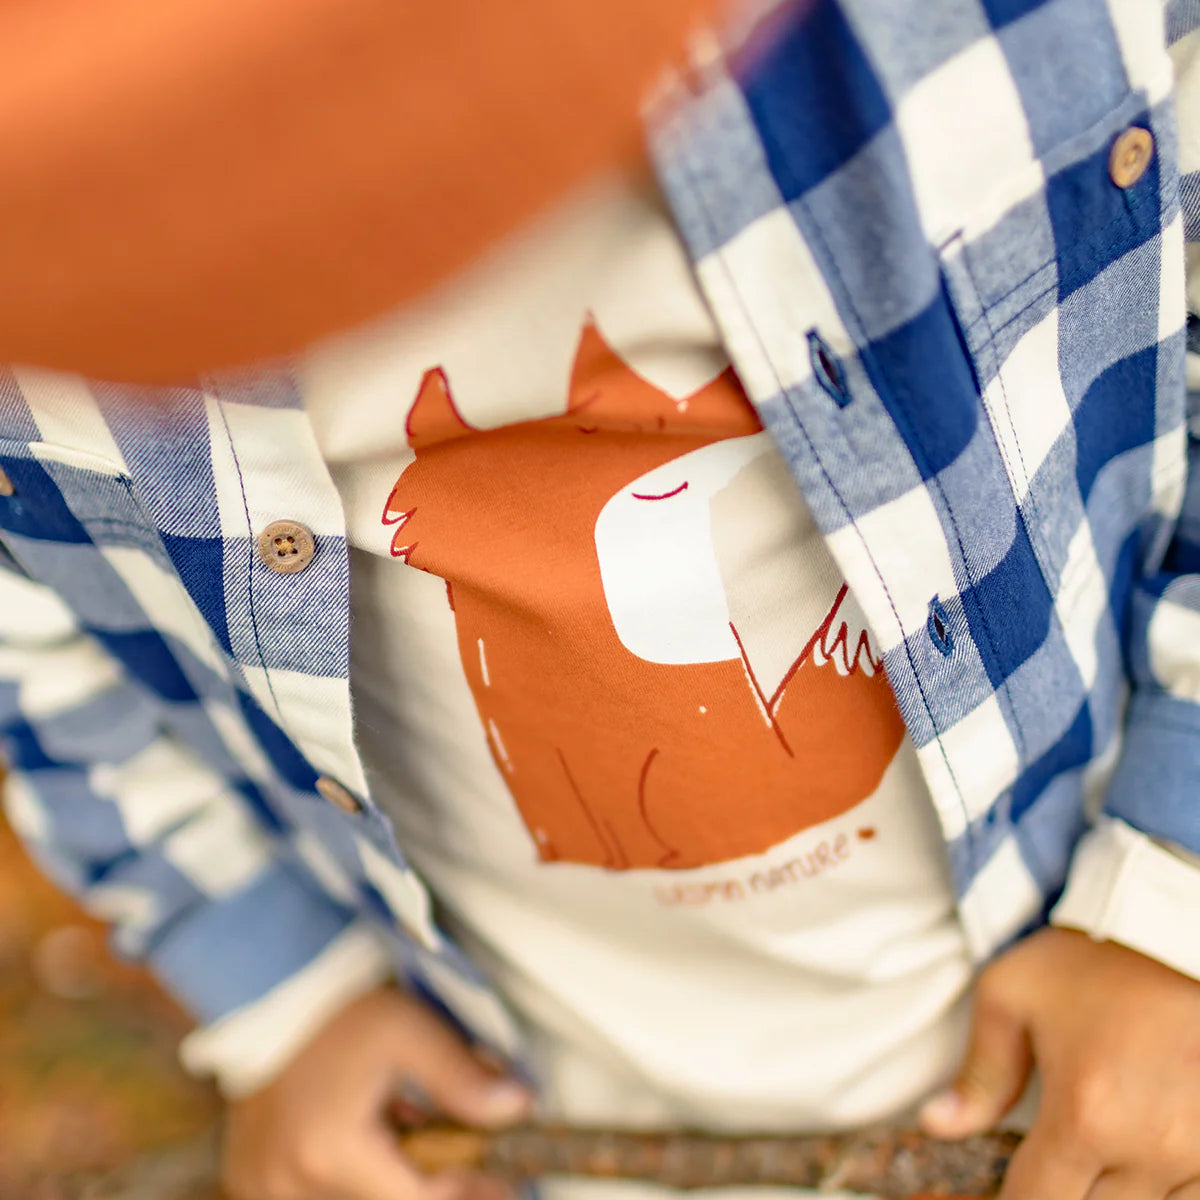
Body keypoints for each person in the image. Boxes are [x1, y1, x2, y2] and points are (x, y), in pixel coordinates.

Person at [2, 2, 1200, 1200]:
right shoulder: (51, 230)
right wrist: (290, 996)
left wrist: (1169, 903)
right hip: (532, 1100)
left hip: (1095, 1035)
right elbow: (29, 636)